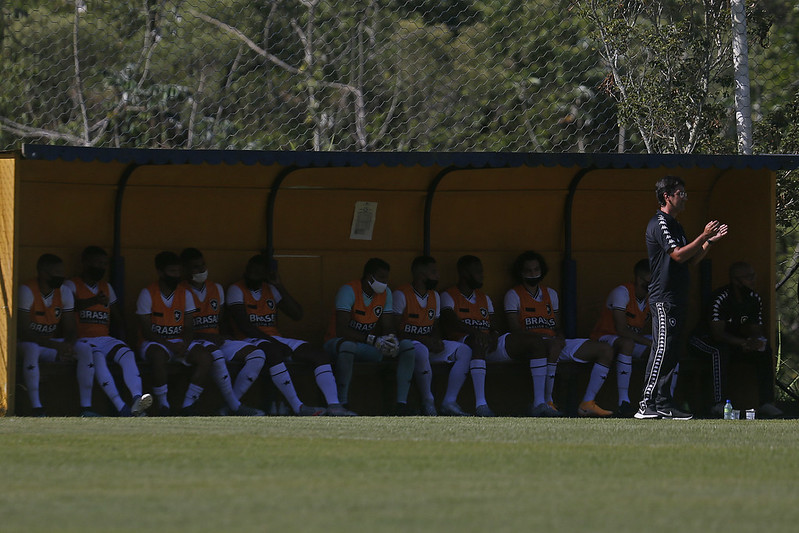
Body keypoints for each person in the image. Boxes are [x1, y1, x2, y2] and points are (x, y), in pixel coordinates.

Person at [636, 175, 728, 420]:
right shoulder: (660, 222)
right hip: (663, 298)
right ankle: (646, 404)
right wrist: (702, 235)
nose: (684, 197)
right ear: (667, 196)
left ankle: (664, 404)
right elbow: (676, 255)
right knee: (662, 350)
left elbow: (691, 259)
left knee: (673, 353)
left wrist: (708, 241)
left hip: (677, 297)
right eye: (680, 193)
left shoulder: (676, 225)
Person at [227, 254, 349, 416]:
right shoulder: (236, 289)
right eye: (250, 270)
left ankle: (334, 405)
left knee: (318, 354)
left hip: (273, 338)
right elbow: (245, 326)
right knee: (274, 350)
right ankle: (298, 406)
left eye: (257, 272)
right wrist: (275, 343)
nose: (251, 274)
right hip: (248, 340)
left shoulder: (269, 288)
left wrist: (279, 286)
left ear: (265, 274)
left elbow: (297, 314)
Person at [505, 251, 614, 417]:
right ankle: (547, 401)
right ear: (520, 272)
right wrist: (545, 339)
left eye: (536, 269)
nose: (533, 274)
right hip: (531, 347)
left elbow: (555, 326)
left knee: (605, 350)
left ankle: (587, 403)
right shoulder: (513, 295)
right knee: (552, 345)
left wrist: (560, 336)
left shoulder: (551, 294)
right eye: (528, 270)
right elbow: (514, 330)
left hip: (553, 342)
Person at [441, 255, 550, 417]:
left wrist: (494, 335)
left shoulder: (484, 297)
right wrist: (477, 333)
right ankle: (481, 405)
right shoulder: (448, 295)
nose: (482, 275)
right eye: (477, 272)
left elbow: (493, 326)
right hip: (463, 344)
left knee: (535, 341)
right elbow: (450, 321)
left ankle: (540, 403)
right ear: (464, 273)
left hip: (488, 343)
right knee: (478, 341)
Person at [64, 246, 152, 417]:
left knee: (126, 353)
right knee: (96, 357)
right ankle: (121, 407)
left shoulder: (106, 287)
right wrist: (94, 300)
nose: (101, 267)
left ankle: (136, 400)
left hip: (104, 337)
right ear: (85, 263)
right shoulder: (71, 285)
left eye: (104, 264)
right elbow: (69, 308)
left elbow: (118, 317)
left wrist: (125, 337)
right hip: (82, 339)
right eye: (97, 262)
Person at [688, 262, 783, 419]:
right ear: (735, 280)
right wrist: (743, 343)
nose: (753, 280)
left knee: (764, 351)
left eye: (753, 276)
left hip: (734, 342)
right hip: (704, 341)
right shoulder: (721, 298)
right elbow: (717, 334)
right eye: (748, 277)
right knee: (719, 352)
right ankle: (718, 404)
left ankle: (766, 403)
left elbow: (755, 328)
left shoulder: (753, 299)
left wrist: (754, 341)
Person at [324, 258, 416, 415]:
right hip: (336, 343)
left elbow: (387, 325)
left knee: (407, 346)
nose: (385, 282)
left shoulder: (385, 293)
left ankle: (401, 405)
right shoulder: (349, 290)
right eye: (381, 278)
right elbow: (341, 330)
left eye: (386, 278)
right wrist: (372, 339)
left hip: (367, 346)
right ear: (369, 276)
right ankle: (341, 404)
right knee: (348, 346)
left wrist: (390, 340)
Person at [179, 248, 265, 416]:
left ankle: (229, 405)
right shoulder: (180, 290)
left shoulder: (216, 288)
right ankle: (234, 406)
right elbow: (180, 329)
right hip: (194, 342)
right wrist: (205, 336)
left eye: (203, 265)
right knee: (216, 355)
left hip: (215, 339)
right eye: (195, 267)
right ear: (185, 269)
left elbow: (222, 319)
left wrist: (225, 335)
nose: (201, 270)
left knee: (257, 355)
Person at [17, 253, 99, 417]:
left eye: (62, 272)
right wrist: (56, 346)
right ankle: (37, 408)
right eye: (56, 272)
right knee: (32, 348)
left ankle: (86, 408)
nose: (61, 276)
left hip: (50, 345)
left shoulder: (64, 292)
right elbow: (24, 332)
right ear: (42, 273)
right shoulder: (27, 290)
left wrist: (68, 345)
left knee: (84, 348)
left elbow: (71, 328)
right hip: (25, 345)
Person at [136, 251, 214, 415]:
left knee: (206, 357)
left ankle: (188, 405)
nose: (176, 275)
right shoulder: (147, 293)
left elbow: (189, 327)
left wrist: (184, 344)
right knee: (157, 356)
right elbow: (147, 331)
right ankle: (163, 405)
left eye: (178, 271)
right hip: (156, 342)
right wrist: (170, 346)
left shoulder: (185, 294)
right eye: (172, 271)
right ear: (160, 272)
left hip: (179, 342)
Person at [393, 256, 473, 416]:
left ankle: (449, 402)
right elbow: (395, 331)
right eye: (433, 272)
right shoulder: (401, 294)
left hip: (428, 344)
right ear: (420, 274)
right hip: (406, 347)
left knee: (464, 350)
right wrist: (426, 340)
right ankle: (428, 402)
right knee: (421, 349)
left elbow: (434, 326)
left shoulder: (434, 296)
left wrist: (437, 340)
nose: (438, 276)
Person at [590, 259, 654, 417]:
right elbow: (621, 330)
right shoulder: (622, 292)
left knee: (664, 345)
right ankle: (623, 401)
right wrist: (647, 342)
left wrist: (654, 343)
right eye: (652, 278)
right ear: (640, 279)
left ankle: (660, 399)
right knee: (628, 343)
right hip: (606, 336)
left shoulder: (650, 297)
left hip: (632, 340)